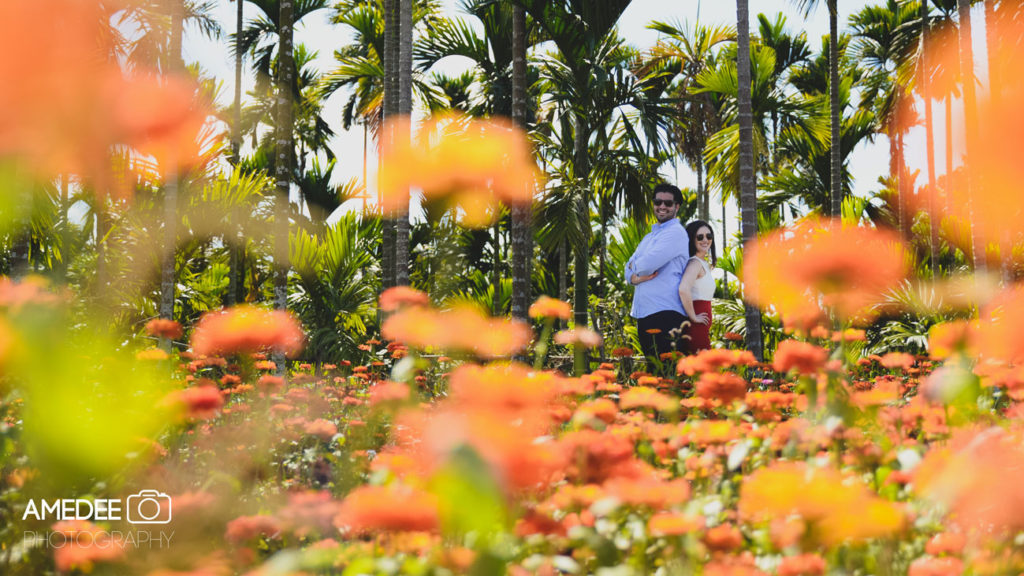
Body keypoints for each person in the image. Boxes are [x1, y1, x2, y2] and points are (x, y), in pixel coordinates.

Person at [624, 183, 689, 364]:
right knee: (654, 372)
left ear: (676, 207)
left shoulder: (675, 233)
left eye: (668, 203)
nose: (662, 206)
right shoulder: (649, 237)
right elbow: (627, 269)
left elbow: (645, 266)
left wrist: (635, 270)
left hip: (666, 313)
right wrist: (633, 276)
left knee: (666, 374)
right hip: (646, 313)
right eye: (658, 201)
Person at [678, 220, 717, 353]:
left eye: (708, 236)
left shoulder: (702, 263)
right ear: (692, 239)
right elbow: (683, 289)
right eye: (700, 237)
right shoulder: (695, 263)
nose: (705, 240)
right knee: (702, 369)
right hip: (696, 327)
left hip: (702, 327)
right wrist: (694, 317)